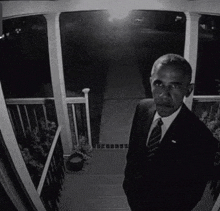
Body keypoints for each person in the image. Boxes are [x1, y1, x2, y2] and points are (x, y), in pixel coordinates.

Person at [123, 53, 218, 211]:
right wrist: (129, 188)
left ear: (188, 90)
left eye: (175, 86)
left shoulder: (201, 139)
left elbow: (190, 196)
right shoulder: (142, 108)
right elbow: (133, 155)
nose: (164, 94)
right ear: (150, 82)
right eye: (158, 83)